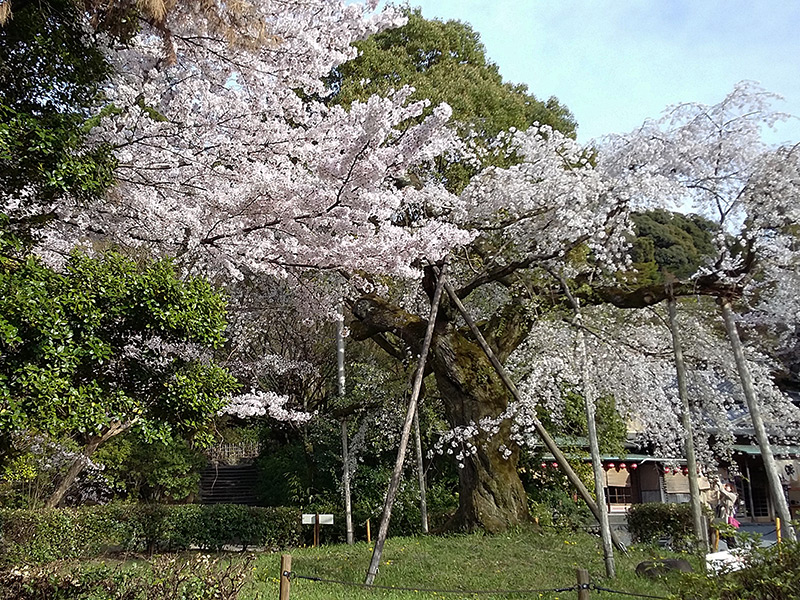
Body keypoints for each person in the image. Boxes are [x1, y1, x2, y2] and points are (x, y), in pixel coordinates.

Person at [716, 479, 740, 548]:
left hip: (728, 515)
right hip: (723, 515)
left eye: (727, 486)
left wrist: (718, 482)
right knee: (724, 531)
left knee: (729, 531)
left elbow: (723, 491)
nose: (726, 487)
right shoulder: (724, 497)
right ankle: (730, 544)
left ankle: (732, 545)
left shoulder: (732, 495)